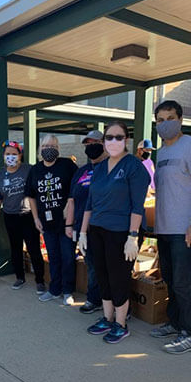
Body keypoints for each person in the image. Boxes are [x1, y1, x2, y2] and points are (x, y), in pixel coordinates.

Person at [149, 100, 191, 354]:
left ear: (181, 120)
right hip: (166, 229)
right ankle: (175, 323)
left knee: (183, 281)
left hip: (188, 229)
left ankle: (190, 333)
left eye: (170, 118)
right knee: (171, 279)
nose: (165, 124)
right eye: (160, 120)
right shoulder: (162, 152)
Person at [79, 121, 150, 343]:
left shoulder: (133, 166)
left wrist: (133, 236)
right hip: (97, 229)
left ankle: (120, 324)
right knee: (102, 275)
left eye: (118, 137)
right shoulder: (99, 168)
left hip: (121, 232)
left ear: (126, 140)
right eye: (109, 137)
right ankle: (107, 318)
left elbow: (138, 205)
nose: (113, 141)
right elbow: (89, 203)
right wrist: (82, 232)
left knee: (118, 278)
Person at [25, 134, 78, 305]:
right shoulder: (35, 170)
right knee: (53, 257)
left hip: (66, 222)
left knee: (68, 257)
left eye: (54, 146)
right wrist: (35, 218)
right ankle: (54, 289)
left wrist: (69, 212)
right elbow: (31, 197)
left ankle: (68, 291)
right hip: (47, 223)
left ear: (58, 149)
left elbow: (76, 191)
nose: (50, 149)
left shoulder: (68, 165)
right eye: (47, 146)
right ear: (40, 148)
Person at [0, 140, 45, 293]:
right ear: (3, 156)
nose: (11, 157)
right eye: (8, 154)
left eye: (14, 154)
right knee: (15, 249)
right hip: (10, 216)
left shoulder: (29, 169)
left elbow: (36, 191)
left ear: (20, 155)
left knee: (34, 248)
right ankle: (19, 277)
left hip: (28, 215)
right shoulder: (0, 176)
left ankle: (40, 281)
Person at [65, 130, 106, 314]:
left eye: (95, 142)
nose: (91, 146)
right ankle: (94, 299)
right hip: (83, 228)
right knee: (91, 264)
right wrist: (69, 224)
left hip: (106, 227)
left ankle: (115, 305)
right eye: (88, 143)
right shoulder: (81, 171)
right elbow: (72, 200)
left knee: (108, 266)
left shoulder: (111, 167)